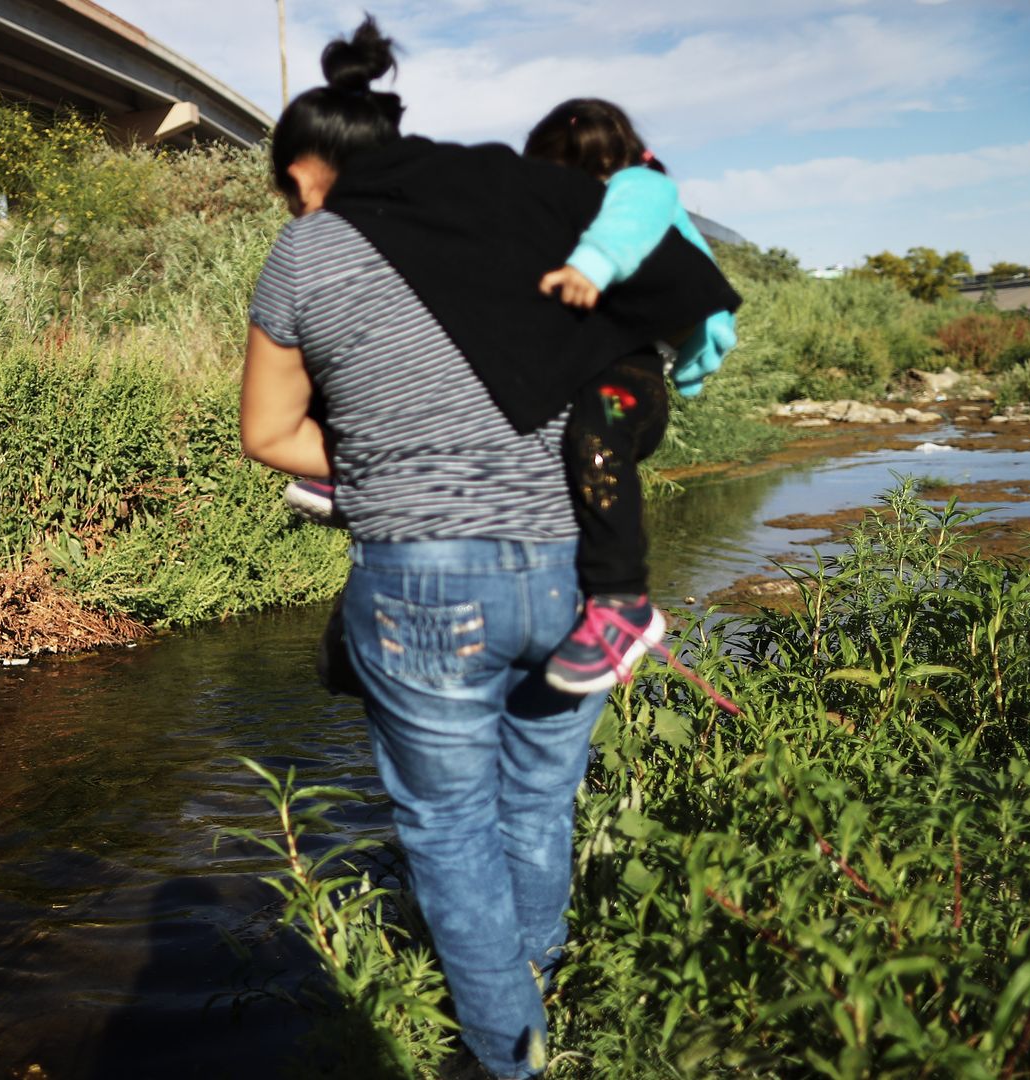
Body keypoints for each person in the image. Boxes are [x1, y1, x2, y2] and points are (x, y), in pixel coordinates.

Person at [239, 18, 735, 1079]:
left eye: (290, 191)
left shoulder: (309, 246)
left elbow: (270, 436)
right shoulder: (529, 204)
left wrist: (384, 443)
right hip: (575, 568)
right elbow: (645, 292)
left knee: (451, 828)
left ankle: (510, 1060)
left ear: (303, 172)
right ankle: (535, 993)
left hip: (422, 580)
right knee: (539, 800)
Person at [527, 98, 739, 694]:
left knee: (596, 429)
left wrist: (592, 266)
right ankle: (377, 471)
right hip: (576, 368)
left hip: (631, 378)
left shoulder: (641, 188)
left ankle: (624, 602)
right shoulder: (555, 218)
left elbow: (631, 217)